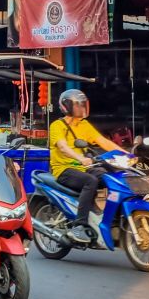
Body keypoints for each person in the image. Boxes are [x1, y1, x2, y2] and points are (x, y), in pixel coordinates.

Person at [49, 88, 120, 244]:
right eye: (78, 105)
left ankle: (113, 217)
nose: (81, 108)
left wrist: (128, 156)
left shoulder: (84, 124)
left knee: (112, 177)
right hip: (64, 169)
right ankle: (79, 226)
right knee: (91, 181)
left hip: (84, 168)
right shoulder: (57, 126)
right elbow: (63, 147)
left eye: (83, 104)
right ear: (67, 106)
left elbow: (104, 142)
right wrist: (80, 158)